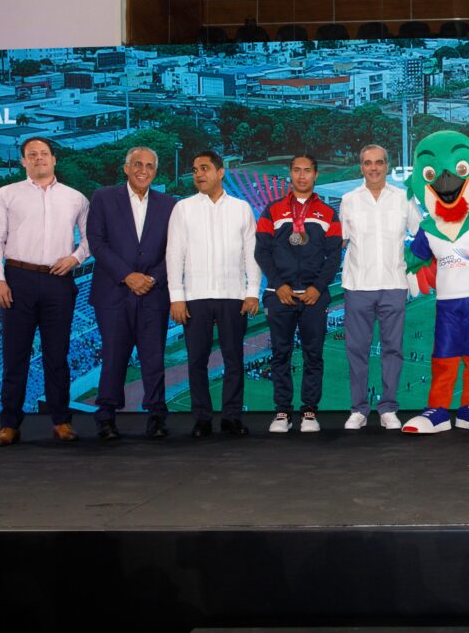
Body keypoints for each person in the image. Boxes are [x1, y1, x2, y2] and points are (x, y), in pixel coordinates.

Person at [0, 137, 89, 446]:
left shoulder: (76, 198)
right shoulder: (6, 195)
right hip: (18, 279)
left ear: (54, 159)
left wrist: (76, 258)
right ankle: (9, 425)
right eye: (32, 154)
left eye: (44, 153)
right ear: (23, 161)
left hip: (59, 280)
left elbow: (91, 237)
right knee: (15, 355)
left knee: (57, 355)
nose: (39, 158)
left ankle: (61, 421)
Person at [166, 150, 261, 438]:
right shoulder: (183, 208)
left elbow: (251, 253)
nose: (198, 174)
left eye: (205, 168)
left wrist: (252, 292)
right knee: (197, 361)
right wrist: (176, 296)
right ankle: (202, 419)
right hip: (195, 296)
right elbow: (174, 254)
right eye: (195, 169)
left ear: (220, 172)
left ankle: (231, 417)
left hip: (234, 295)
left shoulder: (241, 208)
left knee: (234, 359)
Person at [87, 147, 176, 440]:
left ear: (155, 171)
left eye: (149, 166)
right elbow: (96, 242)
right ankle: (106, 417)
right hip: (113, 293)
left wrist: (153, 278)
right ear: (126, 168)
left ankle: (156, 416)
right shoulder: (103, 197)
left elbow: (175, 249)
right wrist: (127, 276)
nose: (143, 170)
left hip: (153, 292)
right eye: (137, 164)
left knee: (154, 358)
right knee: (113, 356)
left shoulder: (168, 204)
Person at [255, 154, 342, 434]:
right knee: (280, 354)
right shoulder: (272, 210)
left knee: (313, 355)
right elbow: (262, 251)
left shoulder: (328, 213)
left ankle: (309, 411)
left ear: (315, 175)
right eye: (297, 170)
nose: (302, 175)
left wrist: (318, 287)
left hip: (313, 296)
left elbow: (334, 256)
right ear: (290, 174)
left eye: (307, 170)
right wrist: (278, 284)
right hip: (279, 294)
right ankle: (282, 412)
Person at [338, 145, 421, 430]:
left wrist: (414, 270)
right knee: (356, 350)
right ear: (361, 167)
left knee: (393, 350)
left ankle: (388, 408)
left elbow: (421, 235)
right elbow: (340, 241)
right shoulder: (349, 200)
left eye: (378, 162)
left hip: (394, 285)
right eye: (367, 163)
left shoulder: (403, 198)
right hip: (357, 286)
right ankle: (358, 410)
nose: (373, 168)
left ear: (387, 165)